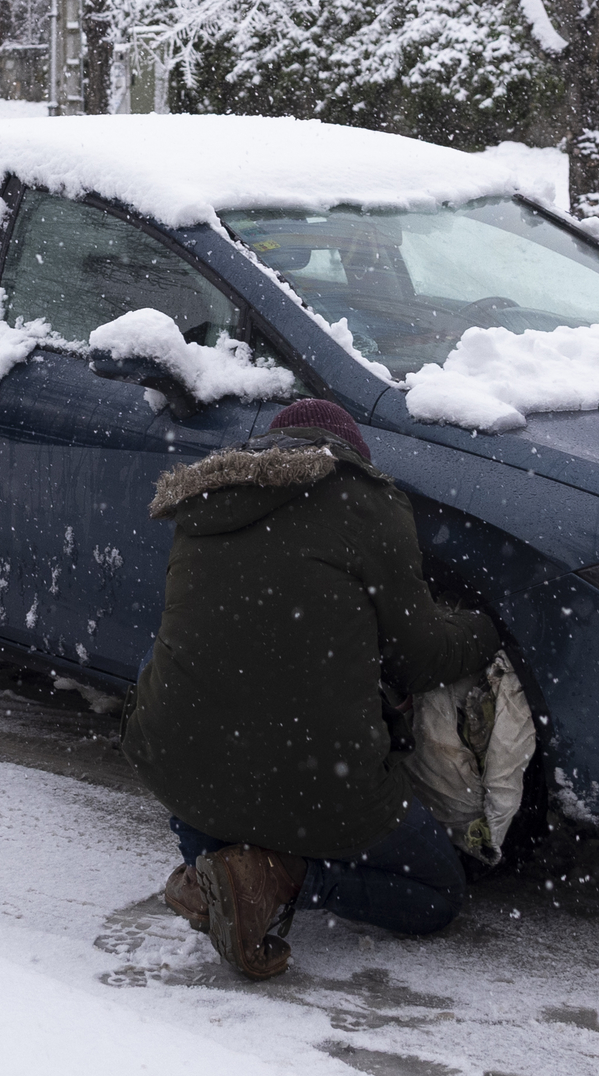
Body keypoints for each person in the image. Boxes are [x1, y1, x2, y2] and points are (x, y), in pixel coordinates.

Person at [122, 397, 503, 979]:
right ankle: (281, 875)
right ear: (349, 456)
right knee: (436, 896)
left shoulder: (202, 502)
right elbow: (422, 657)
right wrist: (482, 629)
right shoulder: (368, 504)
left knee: (187, 658)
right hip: (318, 783)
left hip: (178, 765)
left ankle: (214, 868)